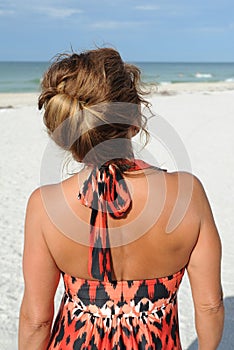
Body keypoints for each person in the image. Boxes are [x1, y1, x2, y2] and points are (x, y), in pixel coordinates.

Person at [18, 48, 224, 349]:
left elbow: (36, 320)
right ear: (135, 117)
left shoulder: (44, 206)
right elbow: (210, 306)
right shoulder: (187, 195)